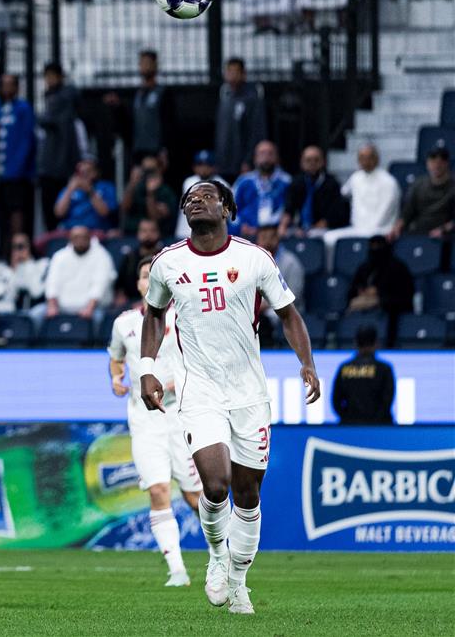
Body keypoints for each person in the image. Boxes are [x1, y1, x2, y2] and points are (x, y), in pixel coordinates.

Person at [141, 179, 319, 616]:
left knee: (248, 494)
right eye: (188, 198)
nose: (194, 200)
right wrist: (146, 369)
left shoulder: (254, 258)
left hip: (249, 393)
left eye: (206, 196)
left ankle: (239, 580)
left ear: (227, 209)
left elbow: (289, 314)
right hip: (200, 389)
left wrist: (307, 363)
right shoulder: (168, 262)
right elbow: (154, 314)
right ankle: (217, 556)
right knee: (216, 484)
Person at [109, 255, 202, 587]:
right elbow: (116, 357)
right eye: (145, 275)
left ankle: (223, 553)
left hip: (181, 418)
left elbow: (201, 363)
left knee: (196, 497)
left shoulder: (185, 317)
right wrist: (116, 379)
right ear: (138, 284)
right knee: (158, 490)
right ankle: (177, 570)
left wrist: (172, 384)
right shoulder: (123, 324)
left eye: (154, 275)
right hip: (145, 422)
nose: (149, 281)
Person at [38, 63, 84, 231]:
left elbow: (49, 120)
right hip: (51, 166)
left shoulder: (63, 99)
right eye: (47, 76)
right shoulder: (52, 98)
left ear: (61, 77)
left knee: (62, 210)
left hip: (61, 166)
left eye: (52, 76)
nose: (49, 80)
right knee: (51, 209)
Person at [0, 73, 36, 257]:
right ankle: (6, 247)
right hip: (1, 170)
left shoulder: (23, 108)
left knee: (17, 211)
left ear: (17, 87)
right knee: (4, 211)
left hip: (17, 172)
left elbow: (27, 139)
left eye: (10, 84)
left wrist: (18, 167)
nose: (6, 88)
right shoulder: (0, 107)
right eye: (3, 84)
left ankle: (18, 249)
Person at [326, 144, 398, 245]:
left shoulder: (388, 181)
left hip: (381, 229)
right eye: (362, 158)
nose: (365, 161)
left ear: (377, 159)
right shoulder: (356, 177)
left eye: (369, 158)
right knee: (329, 237)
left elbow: (386, 211)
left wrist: (370, 227)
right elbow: (343, 193)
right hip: (357, 228)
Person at [347, 235, 414, 345]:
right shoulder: (364, 268)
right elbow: (352, 291)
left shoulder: (398, 268)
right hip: (361, 309)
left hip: (391, 315)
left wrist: (379, 298)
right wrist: (362, 294)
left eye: (378, 246)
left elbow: (405, 297)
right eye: (372, 246)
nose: (375, 250)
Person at [44, 226, 116, 326]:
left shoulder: (102, 256)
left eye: (83, 237)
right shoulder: (60, 256)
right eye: (76, 237)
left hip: (93, 308)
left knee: (99, 319)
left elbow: (100, 285)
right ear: (70, 239)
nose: (80, 240)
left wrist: (89, 308)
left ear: (90, 238)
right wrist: (52, 306)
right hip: (60, 307)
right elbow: (52, 282)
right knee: (36, 315)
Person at [214, 59, 267, 181]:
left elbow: (256, 132)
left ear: (243, 74)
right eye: (228, 71)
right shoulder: (225, 98)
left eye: (235, 71)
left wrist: (248, 160)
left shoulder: (252, 99)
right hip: (224, 163)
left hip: (242, 164)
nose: (231, 75)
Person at [332, 325, 395, 425]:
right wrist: (375, 420)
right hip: (379, 426)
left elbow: (336, 401)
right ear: (376, 343)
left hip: (350, 425)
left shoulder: (344, 368)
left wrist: (348, 419)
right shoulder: (384, 369)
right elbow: (387, 400)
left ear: (355, 343)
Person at [280, 145, 349, 236]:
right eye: (308, 160)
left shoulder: (332, 183)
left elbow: (336, 213)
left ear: (323, 162)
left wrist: (315, 227)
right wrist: (283, 226)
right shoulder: (296, 182)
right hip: (301, 229)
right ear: (302, 163)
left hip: (325, 229)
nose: (312, 163)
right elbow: (289, 208)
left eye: (316, 160)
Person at [392, 145, 454, 240]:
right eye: (433, 160)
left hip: (444, 236)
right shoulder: (418, 184)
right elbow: (407, 213)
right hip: (418, 232)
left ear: (447, 163)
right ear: (427, 163)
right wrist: (397, 227)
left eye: (441, 161)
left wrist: (444, 229)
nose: (437, 165)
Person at [233, 141, 291, 237]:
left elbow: (291, 210)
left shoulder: (286, 181)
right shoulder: (244, 181)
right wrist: (241, 225)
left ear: (277, 158)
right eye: (262, 153)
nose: (266, 157)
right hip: (247, 233)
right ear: (255, 158)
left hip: (277, 234)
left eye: (270, 153)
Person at [53, 157, 117, 234]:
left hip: (97, 231)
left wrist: (90, 191)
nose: (84, 175)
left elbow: (104, 212)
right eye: (81, 172)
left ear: (96, 172)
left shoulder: (105, 186)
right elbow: (59, 213)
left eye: (88, 172)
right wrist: (69, 190)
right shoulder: (68, 189)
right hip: (70, 231)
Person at [131, 50, 175, 157]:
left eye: (147, 63)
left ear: (155, 65)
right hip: (139, 150)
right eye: (141, 63)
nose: (144, 66)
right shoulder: (138, 94)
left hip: (155, 150)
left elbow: (169, 123)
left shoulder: (163, 93)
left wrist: (164, 148)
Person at [122, 152, 177, 236]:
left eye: (152, 170)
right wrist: (132, 182)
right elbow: (125, 208)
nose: (148, 174)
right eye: (145, 170)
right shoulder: (136, 187)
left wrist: (150, 193)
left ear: (159, 169)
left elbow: (154, 218)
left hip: (158, 237)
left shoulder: (166, 191)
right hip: (131, 234)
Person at [176, 151, 229, 239]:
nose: (203, 169)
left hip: (211, 234)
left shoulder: (223, 185)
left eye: (207, 165)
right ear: (194, 167)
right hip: (185, 232)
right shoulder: (188, 182)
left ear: (214, 167)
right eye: (200, 165)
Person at [117, 218, 164, 304]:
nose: (148, 234)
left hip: (159, 303)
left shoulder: (165, 257)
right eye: (144, 231)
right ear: (138, 234)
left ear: (159, 233)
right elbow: (120, 285)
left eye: (152, 231)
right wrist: (120, 297)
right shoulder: (129, 258)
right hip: (130, 302)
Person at [5, 233, 48, 316]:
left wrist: (28, 263)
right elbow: (9, 298)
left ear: (30, 246)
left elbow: (36, 292)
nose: (19, 250)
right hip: (17, 312)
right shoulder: (8, 270)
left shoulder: (42, 264)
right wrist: (14, 271)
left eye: (22, 246)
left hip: (38, 310)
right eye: (15, 246)